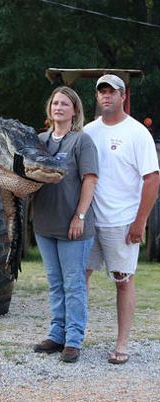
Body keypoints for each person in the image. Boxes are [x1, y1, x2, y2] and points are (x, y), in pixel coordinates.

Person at [85, 74, 160, 365]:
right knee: (80, 278)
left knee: (123, 280)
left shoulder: (137, 132)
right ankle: (74, 338)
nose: (106, 96)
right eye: (101, 91)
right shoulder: (89, 131)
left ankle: (122, 344)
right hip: (90, 219)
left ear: (123, 96)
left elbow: (152, 179)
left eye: (111, 92)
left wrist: (140, 222)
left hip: (122, 221)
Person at [31, 86, 99, 363]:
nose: (58, 107)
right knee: (55, 283)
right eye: (55, 103)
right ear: (50, 109)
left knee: (74, 284)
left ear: (75, 111)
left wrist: (79, 216)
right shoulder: (39, 140)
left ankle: (73, 340)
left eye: (65, 104)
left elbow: (90, 180)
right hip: (45, 224)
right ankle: (56, 334)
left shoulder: (81, 142)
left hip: (73, 227)